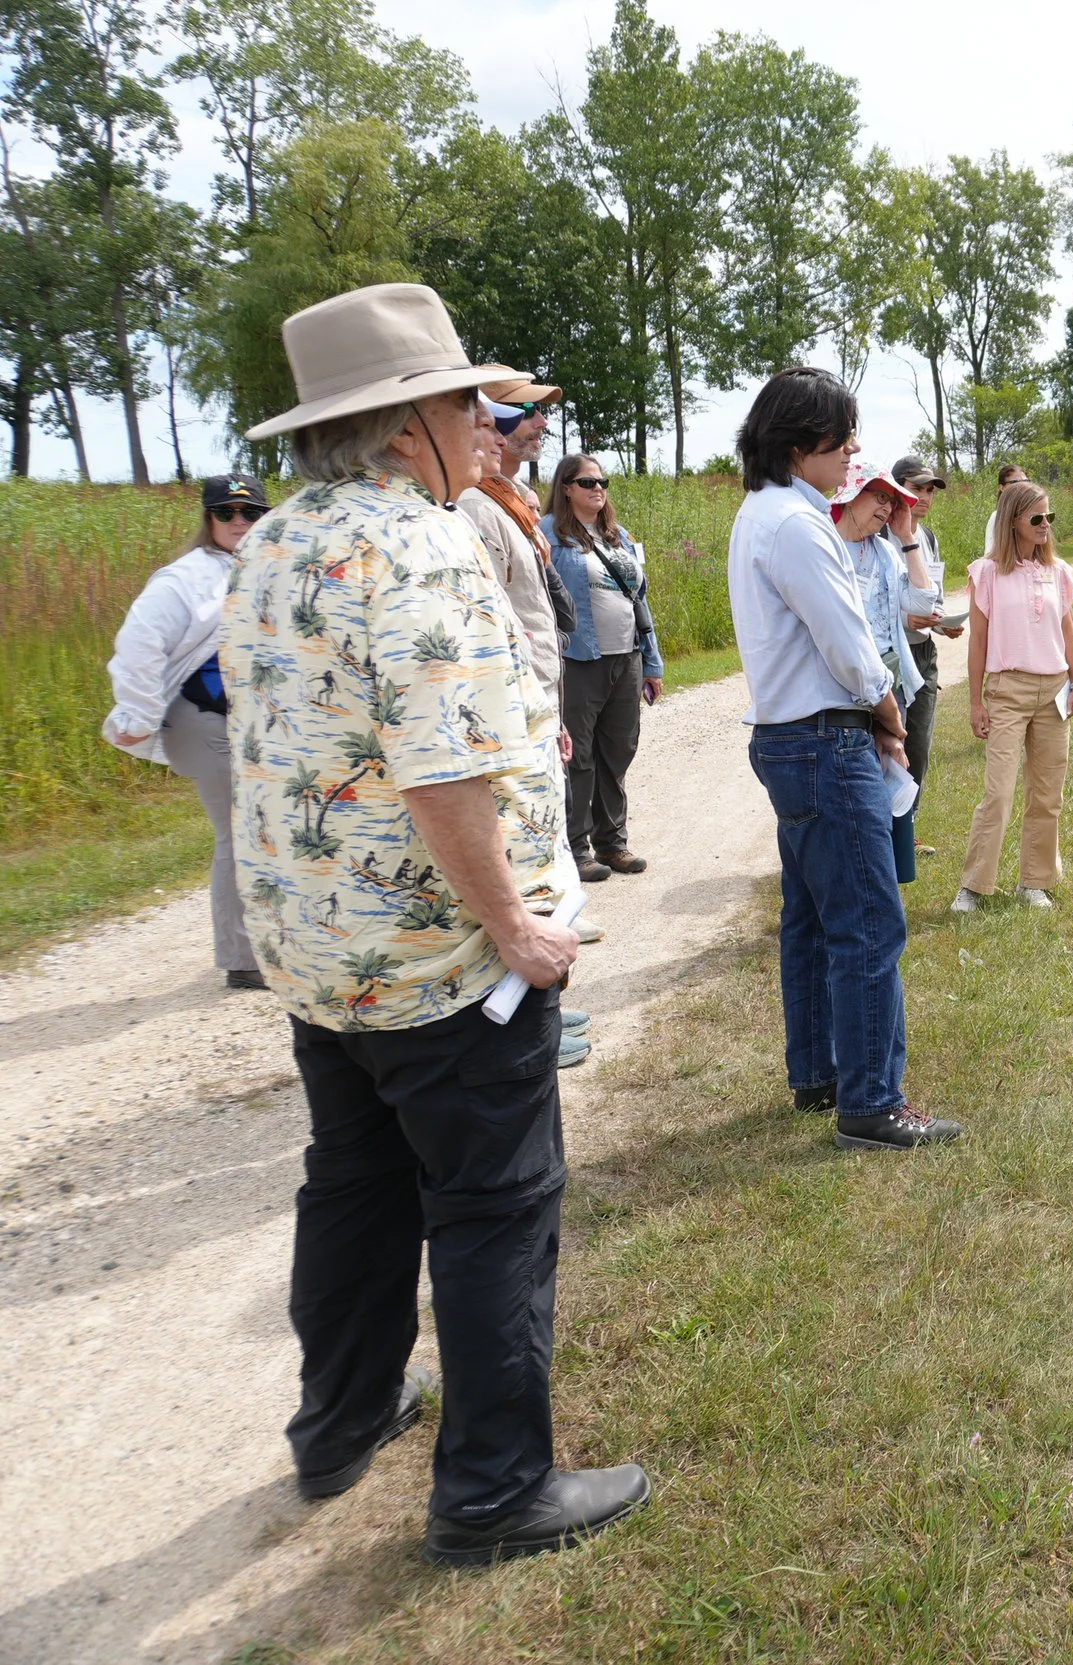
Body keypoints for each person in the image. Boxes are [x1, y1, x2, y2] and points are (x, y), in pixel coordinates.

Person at [222, 281, 645, 1564]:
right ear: (410, 421)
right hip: (435, 960)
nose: (484, 420)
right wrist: (516, 924)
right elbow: (440, 768)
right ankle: (494, 1490)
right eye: (467, 399)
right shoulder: (417, 546)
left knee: (353, 1182)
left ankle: (340, 1419)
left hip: (320, 954)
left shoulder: (279, 543)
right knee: (494, 1201)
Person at [728, 367, 962, 1152]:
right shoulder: (797, 527)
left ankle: (821, 1073)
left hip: (790, 738)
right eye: (843, 437)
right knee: (866, 920)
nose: (853, 451)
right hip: (828, 738)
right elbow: (850, 644)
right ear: (802, 446)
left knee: (811, 917)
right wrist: (889, 709)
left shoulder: (759, 515)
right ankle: (872, 1099)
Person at [458, 380, 593, 1067]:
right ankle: (535, 1019)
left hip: (538, 704)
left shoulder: (513, 503)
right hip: (510, 718)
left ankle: (551, 1011)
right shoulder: (478, 510)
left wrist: (553, 710)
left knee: (549, 861)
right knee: (526, 864)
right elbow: (496, 628)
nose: (541, 424)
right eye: (526, 414)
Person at [102, 474, 273, 990]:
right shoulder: (185, 578)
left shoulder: (266, 565)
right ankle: (243, 959)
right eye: (227, 514)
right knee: (240, 834)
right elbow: (139, 644)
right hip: (204, 721)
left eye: (251, 514)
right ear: (209, 519)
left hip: (252, 725)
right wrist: (135, 714)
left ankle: (273, 941)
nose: (239, 523)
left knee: (267, 833)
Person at [952, 479, 1073, 914]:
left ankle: (1035, 883)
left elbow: (1068, 630)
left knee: (1048, 794)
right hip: (1007, 691)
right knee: (999, 793)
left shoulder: (1058, 571)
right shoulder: (986, 573)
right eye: (1036, 518)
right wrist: (976, 703)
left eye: (1050, 517)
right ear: (1012, 522)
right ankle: (973, 886)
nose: (1046, 525)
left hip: (1054, 692)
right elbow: (977, 643)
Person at [545, 453, 663, 883]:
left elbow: (640, 602)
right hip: (579, 661)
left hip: (626, 657)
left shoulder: (620, 537)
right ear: (565, 488)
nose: (598, 488)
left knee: (619, 750)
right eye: (587, 481)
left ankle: (612, 843)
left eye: (603, 482)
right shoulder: (548, 535)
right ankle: (576, 849)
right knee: (579, 755)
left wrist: (652, 662)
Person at [831, 467, 940, 883]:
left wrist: (908, 538)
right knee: (856, 784)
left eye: (892, 501)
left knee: (894, 773)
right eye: (878, 497)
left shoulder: (886, 551)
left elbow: (920, 600)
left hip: (890, 677)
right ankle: (858, 874)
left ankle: (887, 873)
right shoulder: (827, 547)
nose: (887, 507)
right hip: (845, 684)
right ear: (849, 495)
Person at [887, 455, 961, 813]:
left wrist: (944, 623)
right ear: (897, 487)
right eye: (918, 488)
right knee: (893, 743)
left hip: (924, 652)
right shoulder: (879, 533)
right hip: (892, 657)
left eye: (931, 490)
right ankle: (886, 831)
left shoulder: (927, 536)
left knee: (919, 745)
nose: (926, 497)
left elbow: (934, 593)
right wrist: (906, 618)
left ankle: (908, 829)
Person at [978, 461, 1028, 554]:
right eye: (1015, 482)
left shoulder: (1036, 514)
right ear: (1002, 487)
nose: (1022, 486)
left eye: (1025, 481)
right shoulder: (998, 517)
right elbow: (990, 553)